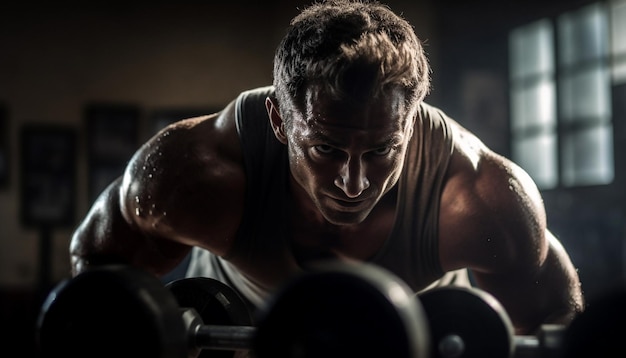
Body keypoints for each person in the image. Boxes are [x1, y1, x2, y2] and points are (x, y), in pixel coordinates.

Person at [70, 0, 584, 335]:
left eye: (382, 150)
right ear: (278, 118)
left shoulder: (480, 198)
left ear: (410, 122)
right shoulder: (193, 177)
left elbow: (553, 325)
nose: (355, 184)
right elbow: (94, 276)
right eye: (326, 150)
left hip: (421, 340)